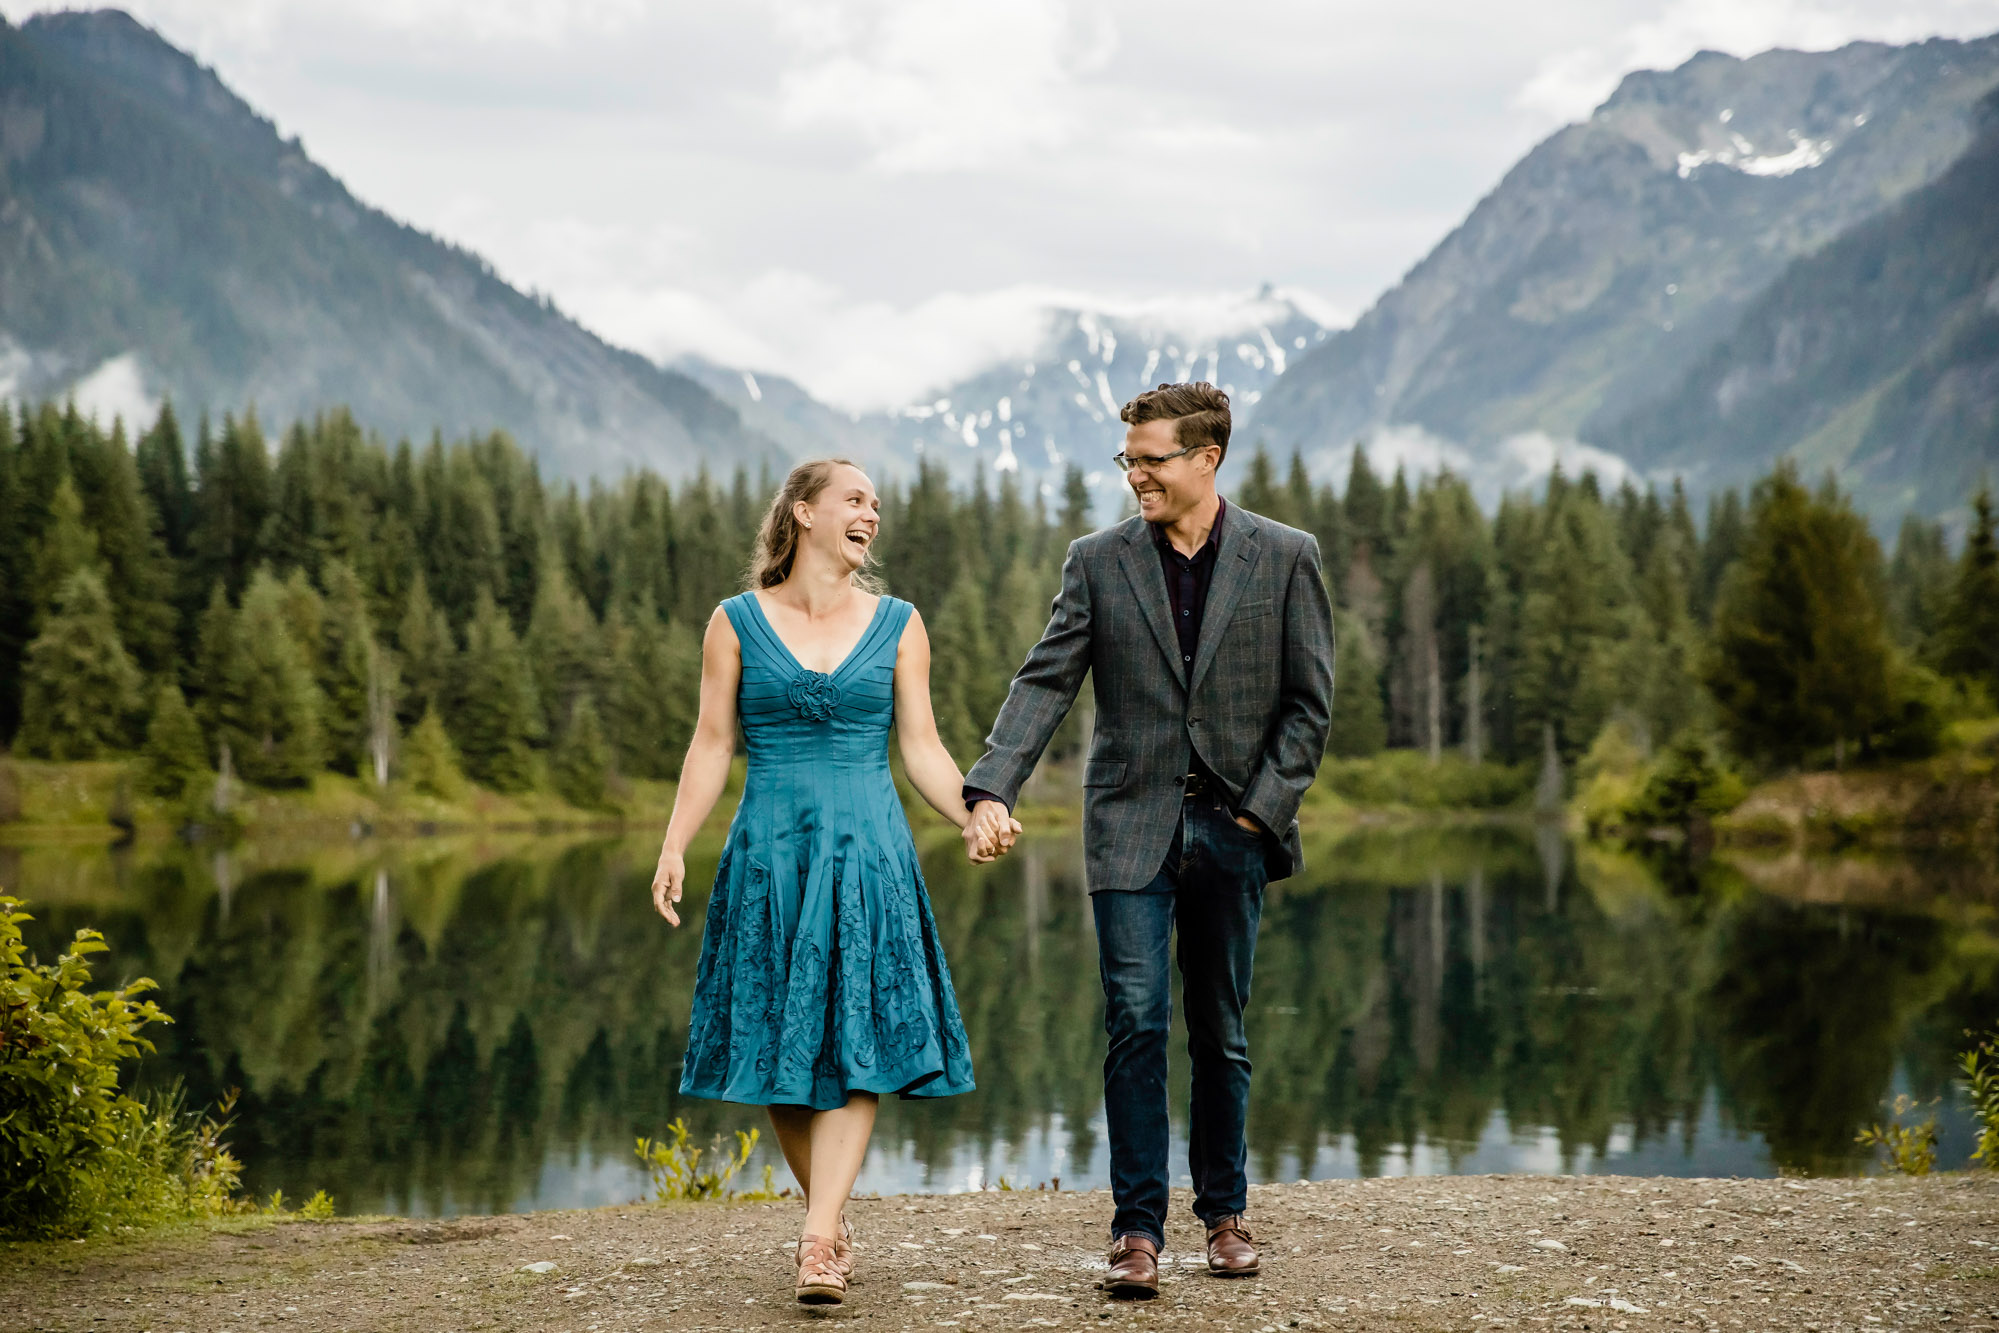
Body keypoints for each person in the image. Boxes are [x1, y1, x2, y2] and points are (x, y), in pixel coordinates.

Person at [962, 382, 1335, 1299]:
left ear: (1206, 459)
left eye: (1150, 459)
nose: (1134, 475)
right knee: (1132, 1023)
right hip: (1127, 825)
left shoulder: (1286, 556)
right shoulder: (1097, 561)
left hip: (1233, 829)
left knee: (1220, 1028)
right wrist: (989, 787)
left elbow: (1308, 704)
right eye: (1126, 460)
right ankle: (1136, 1232)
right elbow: (1044, 682)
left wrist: (1257, 814)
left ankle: (1224, 1216)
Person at [650, 458, 1018, 1306]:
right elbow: (711, 744)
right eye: (855, 500)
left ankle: (818, 1240)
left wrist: (973, 812)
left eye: (876, 505)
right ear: (804, 512)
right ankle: (832, 1217)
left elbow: (920, 746)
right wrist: (674, 844)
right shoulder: (734, 622)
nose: (871, 515)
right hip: (769, 853)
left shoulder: (900, 624)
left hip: (868, 851)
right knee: (784, 1053)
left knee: (854, 1046)